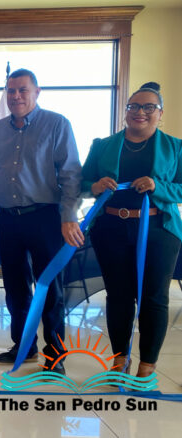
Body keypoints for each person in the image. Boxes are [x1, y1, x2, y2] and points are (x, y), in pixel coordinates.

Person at [0, 69, 82, 375]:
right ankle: (23, 347)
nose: (16, 96)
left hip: (45, 218)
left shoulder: (57, 124)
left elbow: (71, 175)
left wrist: (68, 217)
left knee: (49, 288)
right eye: (11, 91)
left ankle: (56, 354)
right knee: (15, 289)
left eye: (23, 90)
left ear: (37, 92)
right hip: (8, 219)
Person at [82, 82, 182, 378]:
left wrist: (158, 186)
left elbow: (180, 188)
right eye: (134, 106)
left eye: (149, 107)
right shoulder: (102, 145)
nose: (140, 112)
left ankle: (147, 366)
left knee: (154, 297)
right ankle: (120, 359)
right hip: (111, 228)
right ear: (126, 112)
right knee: (118, 296)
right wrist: (96, 186)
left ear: (160, 113)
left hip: (159, 230)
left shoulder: (175, 147)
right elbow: (82, 183)